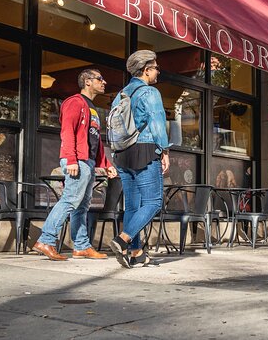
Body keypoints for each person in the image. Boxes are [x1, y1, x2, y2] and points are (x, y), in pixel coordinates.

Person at [33, 69, 118, 261]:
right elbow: (67, 132)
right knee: (70, 200)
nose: (104, 82)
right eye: (100, 78)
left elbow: (95, 140)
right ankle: (46, 240)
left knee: (82, 206)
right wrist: (71, 159)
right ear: (88, 81)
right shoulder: (74, 102)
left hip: (87, 161)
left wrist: (106, 165)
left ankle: (81, 246)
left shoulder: (93, 108)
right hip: (77, 160)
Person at [110, 50, 171, 268]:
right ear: (146, 70)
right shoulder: (150, 92)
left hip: (122, 153)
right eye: (156, 68)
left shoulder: (121, 94)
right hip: (145, 151)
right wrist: (164, 151)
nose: (157, 72)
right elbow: (157, 123)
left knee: (132, 206)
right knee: (154, 202)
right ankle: (122, 239)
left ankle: (136, 252)